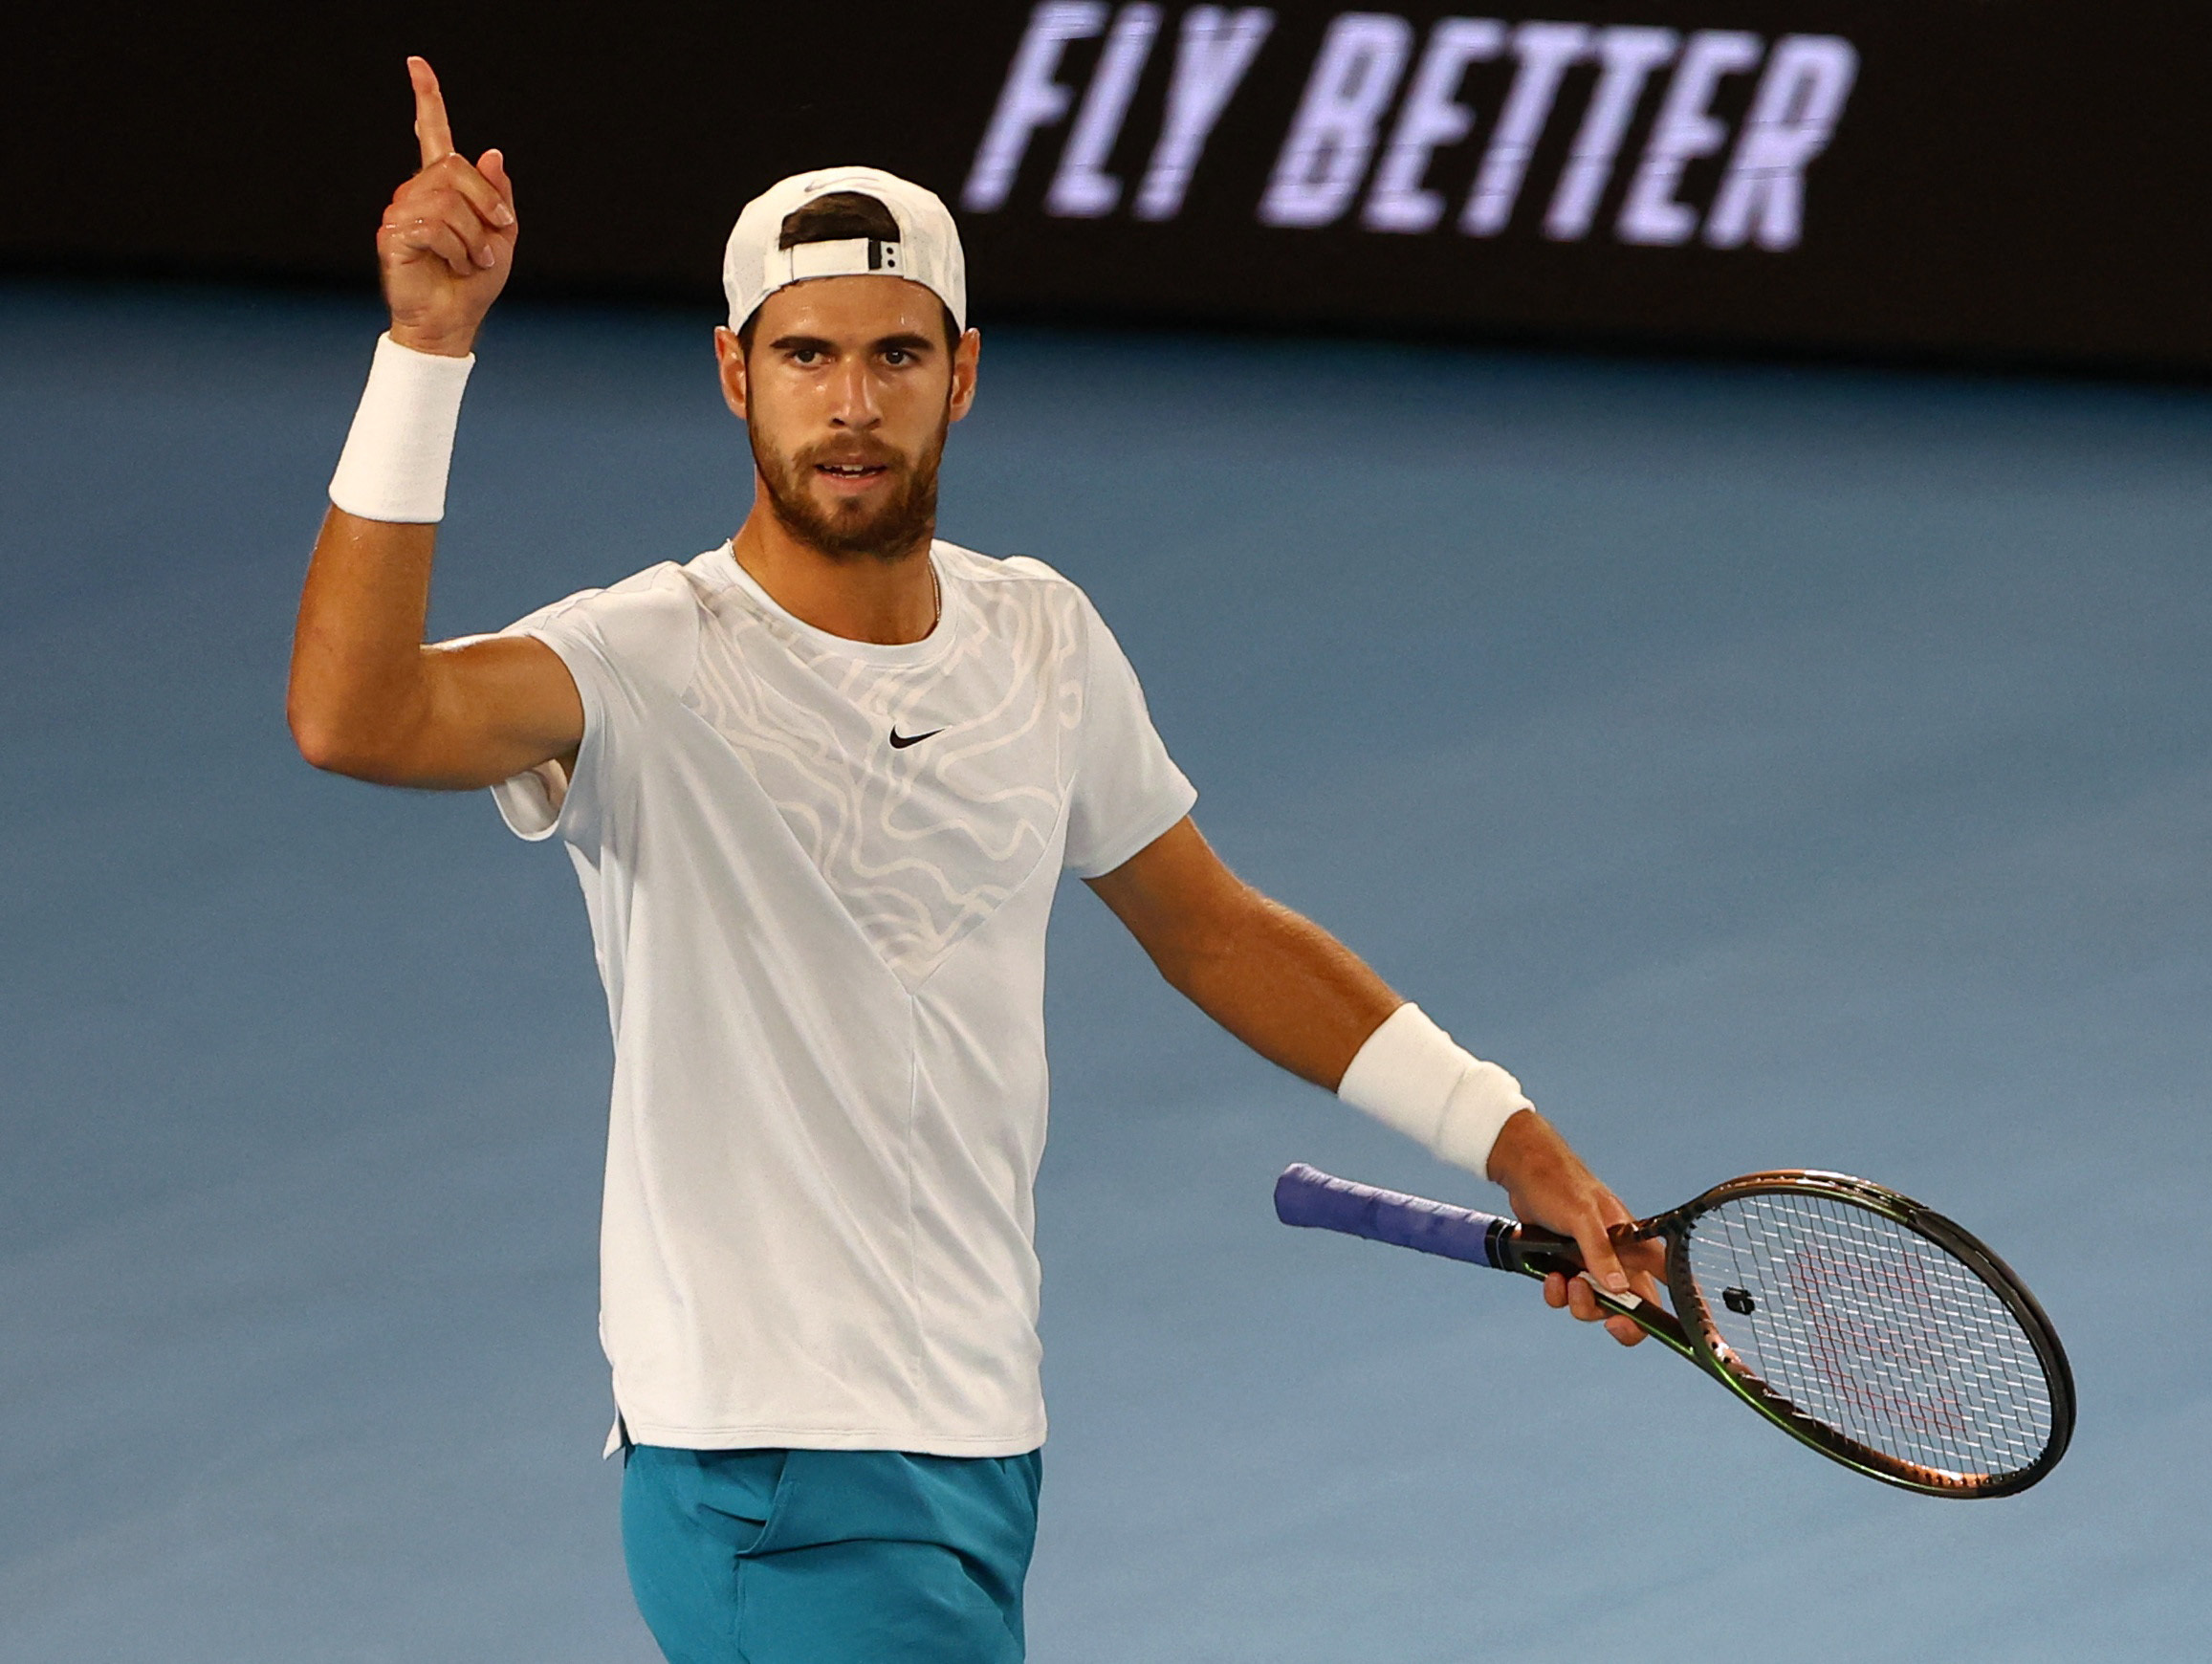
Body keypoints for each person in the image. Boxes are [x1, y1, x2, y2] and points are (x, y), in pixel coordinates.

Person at [288, 55, 1666, 1664]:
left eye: (894, 356)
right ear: (736, 376)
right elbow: (355, 714)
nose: (851, 402)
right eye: (805, 356)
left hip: (974, 1439)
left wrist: (1509, 1138)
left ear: (964, 374)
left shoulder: (1040, 638)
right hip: (770, 1466)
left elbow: (1213, 929)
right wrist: (426, 350)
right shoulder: (634, 663)